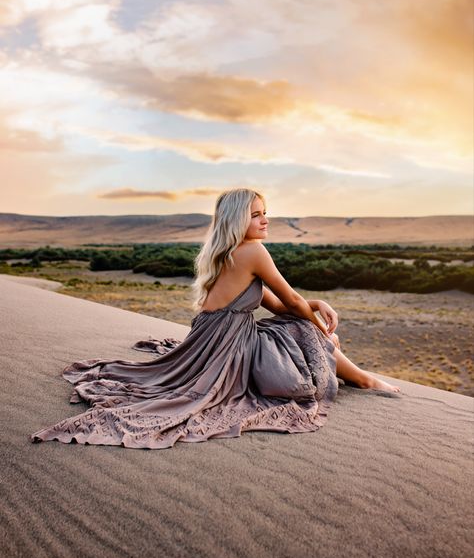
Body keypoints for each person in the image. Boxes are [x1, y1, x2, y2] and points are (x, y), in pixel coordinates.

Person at [31, 188, 400, 449]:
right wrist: (320, 326)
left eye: (265, 212)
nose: (265, 220)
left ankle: (359, 376)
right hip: (228, 343)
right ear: (237, 220)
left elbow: (275, 305)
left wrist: (316, 303)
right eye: (256, 214)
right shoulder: (254, 250)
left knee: (303, 326)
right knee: (308, 331)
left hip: (212, 336)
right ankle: (363, 379)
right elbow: (291, 300)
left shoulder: (225, 252)